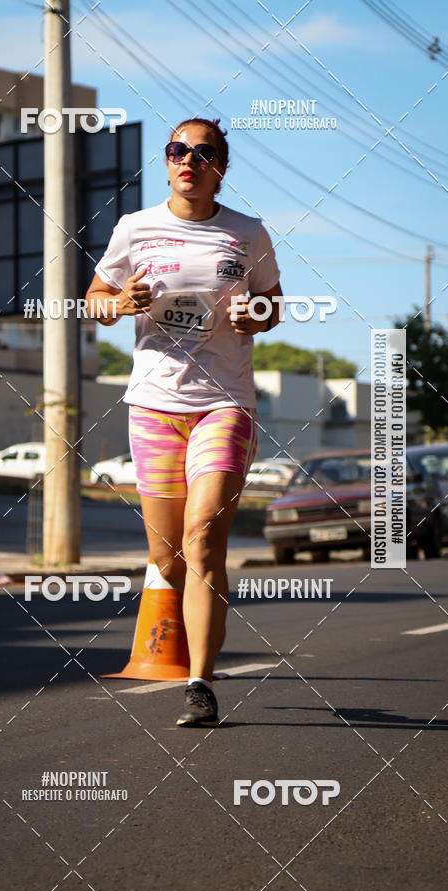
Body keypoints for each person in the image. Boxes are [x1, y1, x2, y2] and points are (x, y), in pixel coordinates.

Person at [86, 117, 283, 727]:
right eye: (178, 150)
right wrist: (118, 304)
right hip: (152, 404)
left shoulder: (248, 233)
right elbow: (95, 298)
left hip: (225, 402)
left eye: (203, 152)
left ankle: (200, 682)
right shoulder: (134, 228)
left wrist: (258, 317)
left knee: (203, 540)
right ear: (166, 161)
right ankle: (184, 651)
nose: (188, 160)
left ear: (222, 165)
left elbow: (273, 301)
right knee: (168, 557)